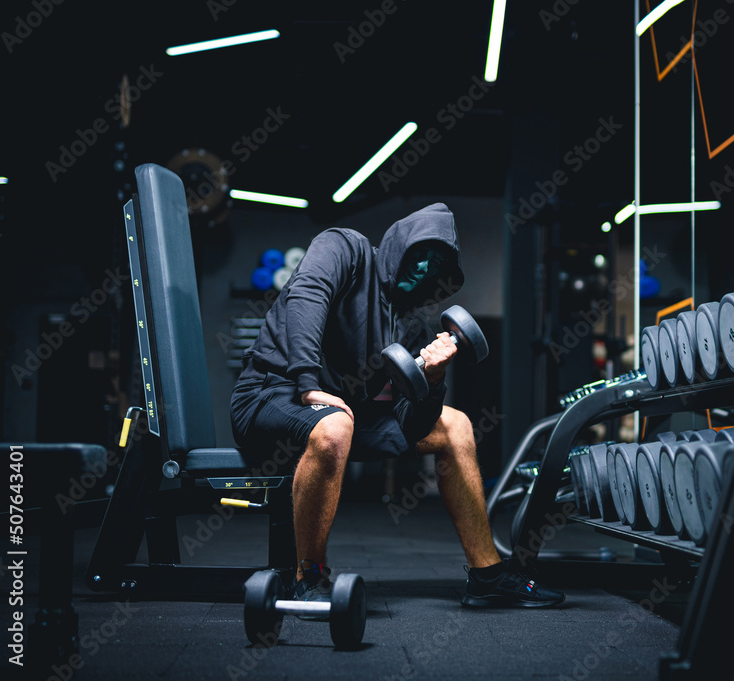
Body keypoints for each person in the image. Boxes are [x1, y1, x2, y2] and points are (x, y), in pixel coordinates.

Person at [230, 203, 564, 611]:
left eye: (436, 263)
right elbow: (307, 294)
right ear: (399, 243)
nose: (424, 268)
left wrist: (435, 382)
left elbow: (414, 423)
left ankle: (487, 576)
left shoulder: (412, 327)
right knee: (334, 426)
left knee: (453, 425)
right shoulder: (344, 248)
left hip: (345, 415)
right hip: (271, 393)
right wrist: (306, 381)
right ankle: (310, 576)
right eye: (420, 253)